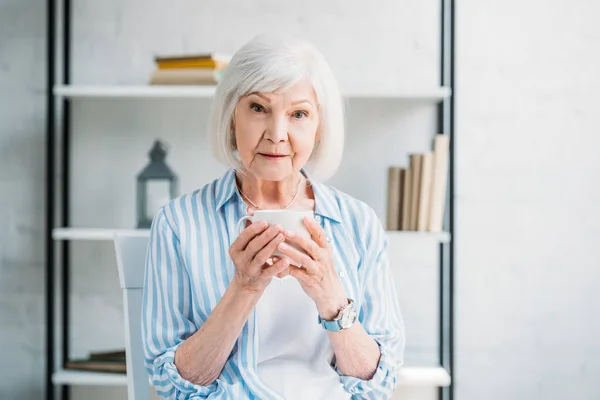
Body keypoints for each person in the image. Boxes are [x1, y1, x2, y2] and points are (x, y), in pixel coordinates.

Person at [141, 34, 405, 400]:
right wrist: (244, 288)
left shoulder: (358, 223)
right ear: (232, 116)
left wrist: (331, 295)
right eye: (258, 108)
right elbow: (173, 385)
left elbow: (377, 384)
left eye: (298, 114)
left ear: (318, 127)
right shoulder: (179, 223)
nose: (277, 135)